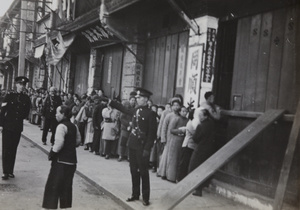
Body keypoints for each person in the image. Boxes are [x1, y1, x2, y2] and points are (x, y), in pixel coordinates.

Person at [110, 87, 157, 206]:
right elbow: (124, 109)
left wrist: (147, 149)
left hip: (142, 147)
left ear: (146, 99)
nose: (137, 100)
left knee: (143, 172)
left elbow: (152, 134)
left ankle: (145, 197)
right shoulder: (136, 110)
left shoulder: (151, 114)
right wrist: (111, 102)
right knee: (133, 171)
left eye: (139, 98)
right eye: (137, 98)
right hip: (132, 145)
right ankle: (135, 194)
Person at [42, 105, 81, 209]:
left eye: (57, 112)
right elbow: (78, 142)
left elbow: (59, 143)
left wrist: (52, 153)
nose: (56, 115)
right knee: (66, 187)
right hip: (72, 162)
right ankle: (65, 206)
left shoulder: (61, 126)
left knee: (53, 186)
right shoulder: (74, 126)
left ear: (63, 114)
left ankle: (50, 206)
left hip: (60, 161)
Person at [0, 76, 31, 180]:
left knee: (13, 149)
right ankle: (5, 171)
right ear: (16, 84)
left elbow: (26, 112)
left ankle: (10, 171)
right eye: (20, 84)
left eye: (23, 85)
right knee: (6, 149)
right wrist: (1, 124)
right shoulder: (9, 95)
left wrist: (20, 118)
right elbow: (2, 111)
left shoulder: (26, 98)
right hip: (7, 126)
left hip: (17, 127)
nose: (22, 86)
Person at [188, 108, 214, 196]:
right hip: (209, 149)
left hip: (200, 149)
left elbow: (195, 138)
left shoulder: (201, 126)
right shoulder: (211, 124)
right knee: (205, 168)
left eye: (200, 116)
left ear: (205, 116)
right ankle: (204, 185)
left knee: (194, 168)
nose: (199, 117)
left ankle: (197, 189)